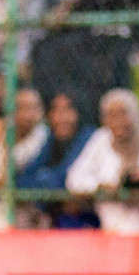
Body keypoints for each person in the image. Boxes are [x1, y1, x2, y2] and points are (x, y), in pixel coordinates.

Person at [66, 88, 139, 234]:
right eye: (111, 115)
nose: (118, 121)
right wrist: (100, 186)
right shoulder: (101, 140)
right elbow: (74, 178)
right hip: (110, 233)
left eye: (123, 113)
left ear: (136, 114)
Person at [16, 92, 94, 229]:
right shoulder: (51, 140)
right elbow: (23, 180)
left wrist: (42, 180)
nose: (61, 118)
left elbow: (64, 178)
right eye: (55, 110)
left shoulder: (89, 137)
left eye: (67, 110)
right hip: (54, 215)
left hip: (86, 220)